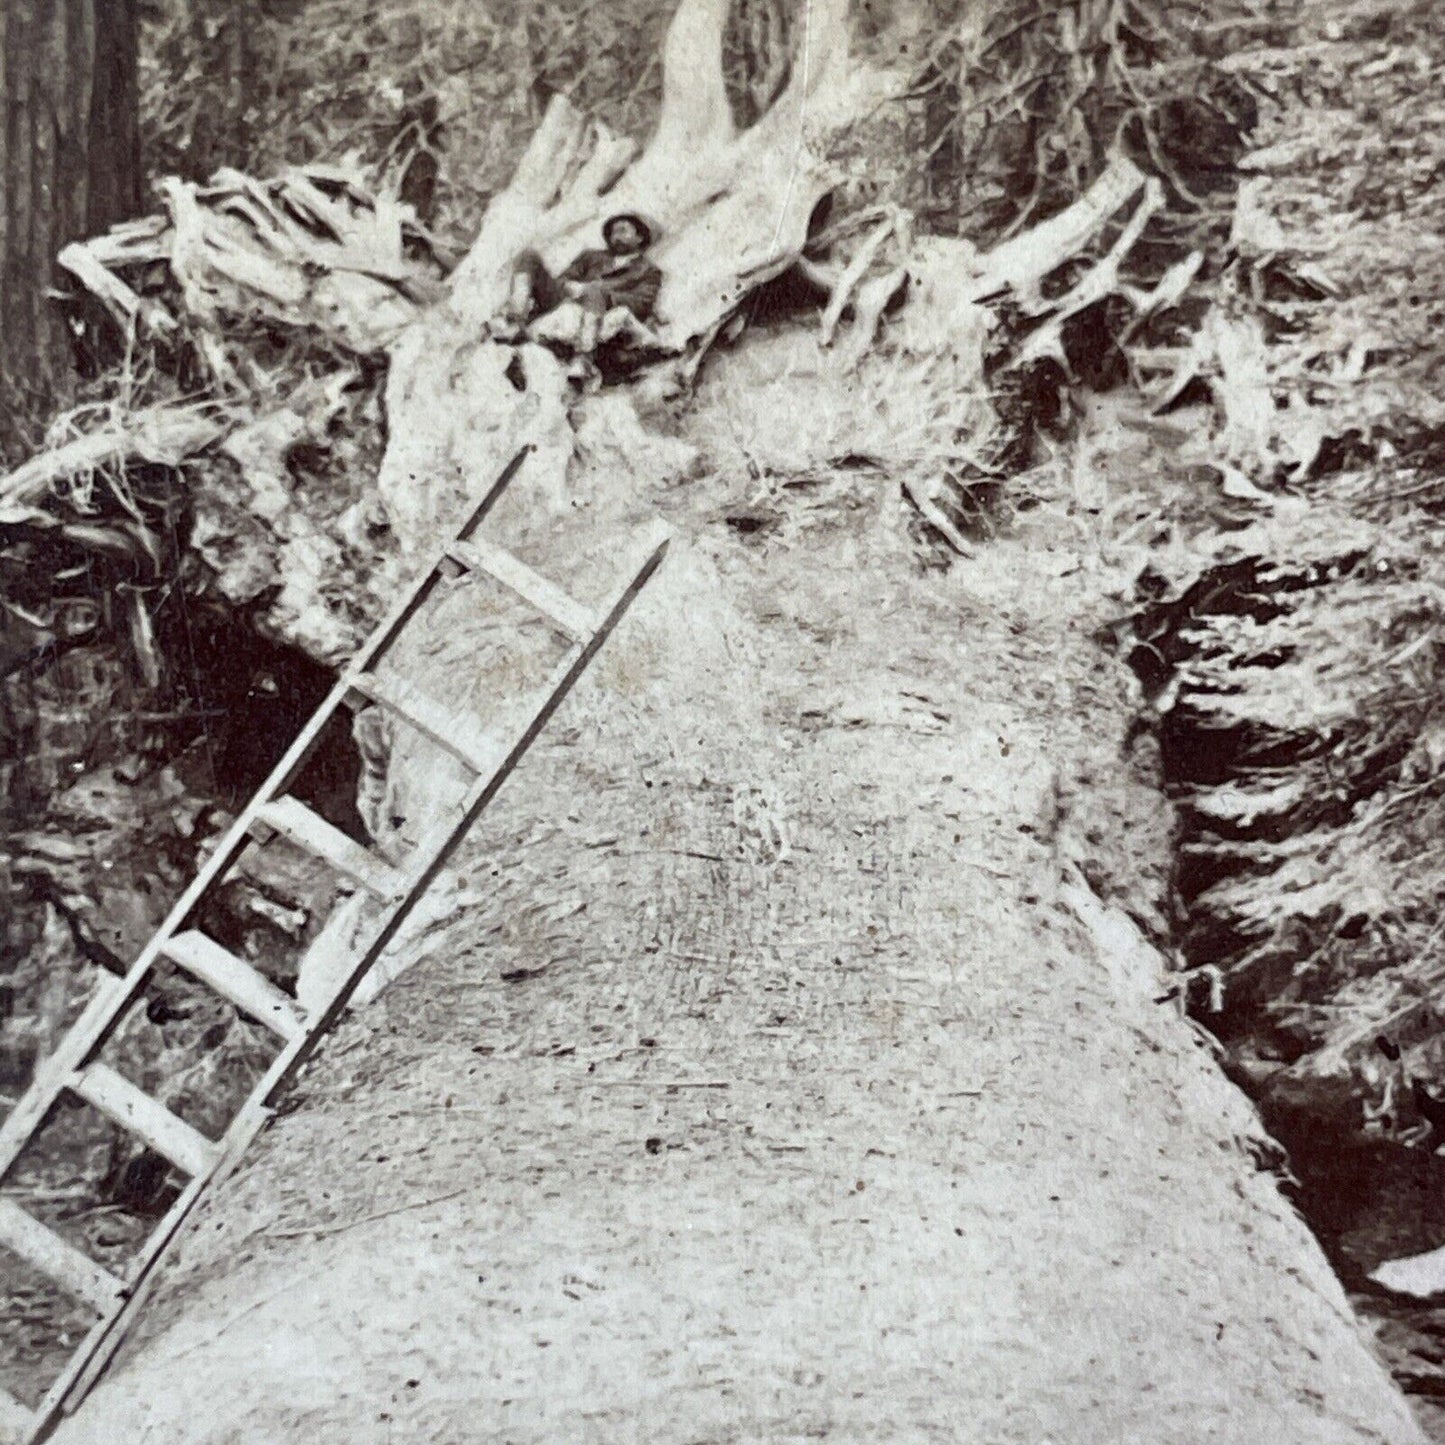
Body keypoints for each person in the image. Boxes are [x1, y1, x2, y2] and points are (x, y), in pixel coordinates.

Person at [505, 214, 663, 347]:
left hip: (600, 315)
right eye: (613, 233)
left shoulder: (649, 271)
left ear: (640, 237)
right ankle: (514, 320)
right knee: (528, 256)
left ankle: (583, 356)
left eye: (623, 231)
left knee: (595, 291)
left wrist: (595, 292)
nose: (616, 237)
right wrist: (569, 286)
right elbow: (565, 277)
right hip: (564, 300)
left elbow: (641, 304)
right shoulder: (591, 256)